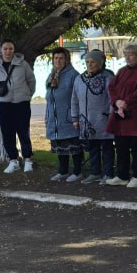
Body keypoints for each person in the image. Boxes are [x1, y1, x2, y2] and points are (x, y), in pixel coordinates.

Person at [106, 44, 137, 188]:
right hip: (121, 114)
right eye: (125, 54)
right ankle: (122, 175)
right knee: (121, 146)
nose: (127, 57)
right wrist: (117, 102)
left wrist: (126, 103)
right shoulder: (122, 71)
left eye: (131, 54)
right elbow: (112, 87)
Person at [0, 40, 38, 174]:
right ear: (1, 50)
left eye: (11, 49)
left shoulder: (22, 64)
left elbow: (31, 80)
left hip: (21, 102)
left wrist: (27, 94)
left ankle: (27, 159)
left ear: (14, 50)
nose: (8, 52)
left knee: (23, 131)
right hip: (3, 104)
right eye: (5, 49)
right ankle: (13, 160)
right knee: (7, 132)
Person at [72, 50, 115, 184]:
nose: (90, 65)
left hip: (103, 119)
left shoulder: (108, 77)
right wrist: (74, 117)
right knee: (92, 148)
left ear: (100, 63)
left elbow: (113, 98)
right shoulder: (79, 79)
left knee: (107, 148)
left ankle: (108, 174)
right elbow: (74, 99)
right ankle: (95, 172)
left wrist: (111, 115)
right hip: (86, 120)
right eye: (87, 62)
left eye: (93, 62)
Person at [44, 47, 83, 182]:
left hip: (69, 118)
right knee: (60, 146)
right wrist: (47, 116)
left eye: (61, 58)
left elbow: (78, 97)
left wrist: (75, 116)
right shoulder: (51, 74)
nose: (58, 61)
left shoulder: (74, 75)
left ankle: (78, 172)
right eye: (56, 58)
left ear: (66, 59)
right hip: (54, 119)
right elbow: (49, 98)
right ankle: (63, 171)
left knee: (73, 146)